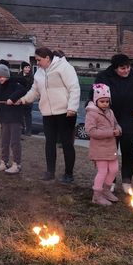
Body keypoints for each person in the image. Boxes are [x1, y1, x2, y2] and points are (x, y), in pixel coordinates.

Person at [19, 47, 81, 182]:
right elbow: (35, 91)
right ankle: (50, 171)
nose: (37, 63)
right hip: (48, 113)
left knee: (67, 144)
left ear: (47, 58)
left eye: (39, 60)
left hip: (66, 113)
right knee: (49, 143)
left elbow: (74, 88)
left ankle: (68, 174)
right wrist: (23, 100)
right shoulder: (39, 73)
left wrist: (72, 108)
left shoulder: (64, 67)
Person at [94, 54, 133, 192]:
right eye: (122, 68)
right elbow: (94, 96)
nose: (126, 70)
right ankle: (110, 181)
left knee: (128, 151)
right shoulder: (103, 78)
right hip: (109, 121)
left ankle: (127, 180)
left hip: (130, 120)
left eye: (128, 67)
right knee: (110, 153)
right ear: (115, 68)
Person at [85, 83, 122, 206]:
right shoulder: (91, 113)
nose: (105, 104)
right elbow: (90, 131)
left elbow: (116, 124)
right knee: (103, 171)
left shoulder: (110, 112)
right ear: (95, 100)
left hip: (111, 147)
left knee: (114, 169)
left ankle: (106, 191)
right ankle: (96, 195)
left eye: (107, 101)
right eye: (102, 101)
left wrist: (119, 129)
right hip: (99, 148)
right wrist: (110, 133)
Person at [0, 64, 27, 174]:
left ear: (6, 75)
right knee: (4, 141)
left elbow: (23, 90)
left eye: (1, 76)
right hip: (4, 118)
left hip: (15, 118)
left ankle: (17, 164)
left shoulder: (14, 84)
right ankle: (4, 162)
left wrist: (12, 98)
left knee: (15, 142)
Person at [16, 62, 34, 135]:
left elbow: (32, 88)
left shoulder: (31, 77)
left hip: (28, 97)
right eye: (26, 67)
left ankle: (28, 131)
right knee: (20, 114)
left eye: (29, 67)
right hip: (20, 97)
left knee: (28, 115)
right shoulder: (19, 76)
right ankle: (21, 129)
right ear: (22, 68)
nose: (27, 69)